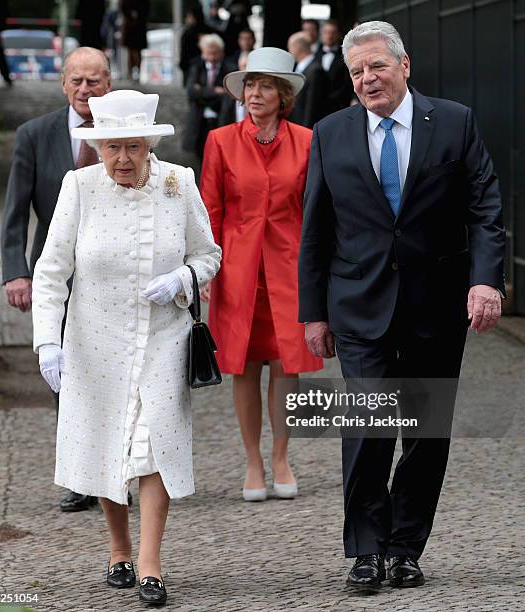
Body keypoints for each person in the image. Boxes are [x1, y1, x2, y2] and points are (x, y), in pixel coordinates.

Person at [299, 21, 505, 591]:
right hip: (358, 304)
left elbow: (485, 207)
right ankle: (366, 550)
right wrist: (312, 312)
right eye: (358, 71)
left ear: (404, 65)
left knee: (424, 431)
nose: (367, 79)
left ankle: (405, 546)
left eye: (377, 67)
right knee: (367, 428)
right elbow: (314, 228)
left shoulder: (454, 122)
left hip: (435, 306)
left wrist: (485, 282)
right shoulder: (330, 132)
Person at [31, 90, 221, 605]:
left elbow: (209, 255)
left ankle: (151, 564)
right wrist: (48, 341)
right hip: (96, 338)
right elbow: (51, 272)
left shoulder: (178, 184)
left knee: (155, 440)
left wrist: (182, 276)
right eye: (111, 147)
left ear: (148, 144)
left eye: (133, 147)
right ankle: (118, 549)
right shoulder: (79, 187)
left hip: (163, 335)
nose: (121, 158)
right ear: (97, 147)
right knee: (104, 438)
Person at [201, 47, 323, 502]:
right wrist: (208, 264)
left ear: (284, 94)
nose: (254, 93)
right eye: (250, 85)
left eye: (265, 85)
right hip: (237, 266)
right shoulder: (220, 141)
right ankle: (252, 460)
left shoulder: (309, 142)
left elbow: (316, 211)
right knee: (245, 365)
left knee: (288, 364)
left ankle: (281, 456)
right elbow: (210, 208)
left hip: (291, 266)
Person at [0, 46, 111, 513]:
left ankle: (119, 468)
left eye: (95, 81)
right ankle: (82, 473)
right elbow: (15, 210)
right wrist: (15, 272)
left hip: (114, 271)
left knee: (113, 368)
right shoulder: (34, 134)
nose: (85, 90)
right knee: (63, 373)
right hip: (55, 271)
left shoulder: (128, 129)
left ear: (109, 83)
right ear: (64, 84)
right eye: (77, 81)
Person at [183, 34, 234, 162]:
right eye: (208, 53)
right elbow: (191, 92)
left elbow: (229, 94)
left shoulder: (230, 69)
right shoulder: (196, 66)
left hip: (220, 120)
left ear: (221, 52)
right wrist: (215, 91)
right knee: (200, 159)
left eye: (215, 53)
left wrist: (202, 91)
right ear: (203, 52)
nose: (211, 57)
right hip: (199, 121)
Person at [288, 31, 328, 127]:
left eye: (290, 47)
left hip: (305, 128)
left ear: (298, 47)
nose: (289, 51)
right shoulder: (299, 68)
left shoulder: (315, 70)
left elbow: (312, 107)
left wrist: (305, 131)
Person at [314, 19, 353, 114]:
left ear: (340, 35)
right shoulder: (314, 54)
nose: (329, 36)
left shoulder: (346, 55)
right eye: (326, 32)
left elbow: (348, 83)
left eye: (333, 33)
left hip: (338, 107)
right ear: (321, 34)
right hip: (316, 107)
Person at [179, 4, 214, 86]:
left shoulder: (189, 33)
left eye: (189, 16)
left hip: (198, 66)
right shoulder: (208, 30)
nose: (187, 19)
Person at [119, 0, 149, 80]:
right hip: (132, 27)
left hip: (137, 27)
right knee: (131, 51)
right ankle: (131, 73)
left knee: (136, 51)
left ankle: (136, 72)